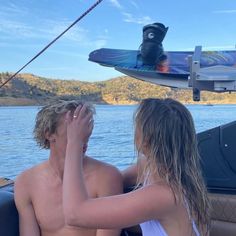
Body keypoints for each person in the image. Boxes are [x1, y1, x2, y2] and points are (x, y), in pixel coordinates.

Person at [62, 98, 211, 236]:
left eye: (137, 127)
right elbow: (114, 179)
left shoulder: (163, 194)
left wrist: (74, 142)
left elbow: (74, 215)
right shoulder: (158, 168)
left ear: (146, 140)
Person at [14, 100, 123, 236]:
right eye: (72, 126)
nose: (80, 134)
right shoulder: (26, 182)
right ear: (49, 134)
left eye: (83, 126)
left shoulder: (106, 176)